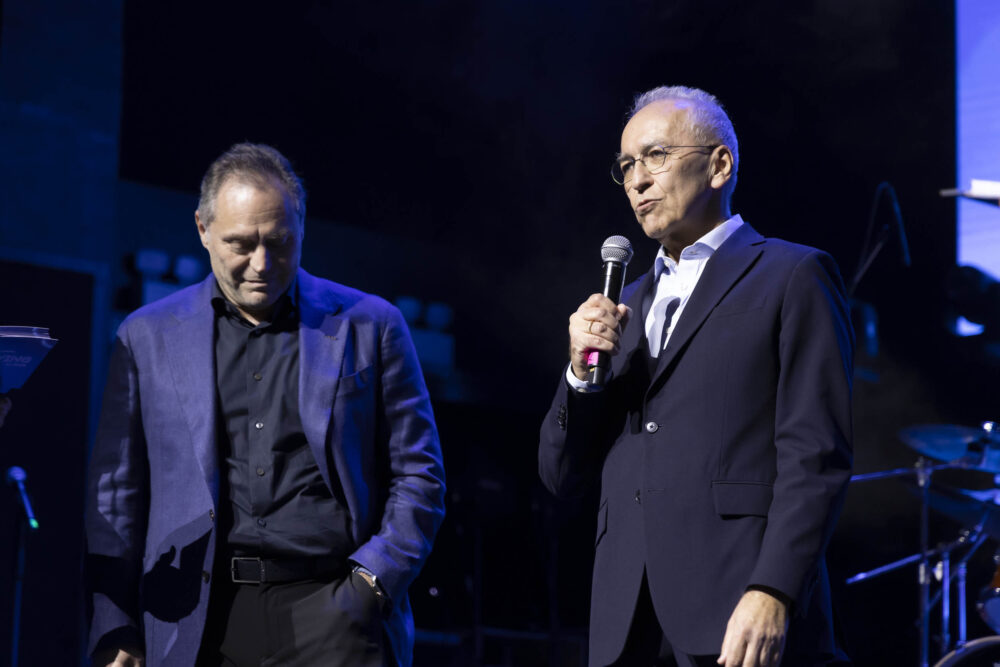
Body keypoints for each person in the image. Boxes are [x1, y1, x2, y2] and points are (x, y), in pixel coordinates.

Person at [85, 143, 446, 667]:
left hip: (337, 614)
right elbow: (117, 493)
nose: (261, 264)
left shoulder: (372, 325)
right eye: (241, 244)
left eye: (279, 242)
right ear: (203, 229)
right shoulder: (145, 336)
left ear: (302, 227)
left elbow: (420, 474)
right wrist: (115, 621)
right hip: (196, 621)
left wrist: (373, 582)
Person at [538, 86, 853, 667]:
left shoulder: (791, 274)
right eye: (626, 166)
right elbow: (562, 476)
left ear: (719, 165)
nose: (637, 180)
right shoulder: (623, 305)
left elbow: (816, 454)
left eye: (655, 156)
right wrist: (581, 374)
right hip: (626, 621)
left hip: (738, 605)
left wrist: (774, 589)